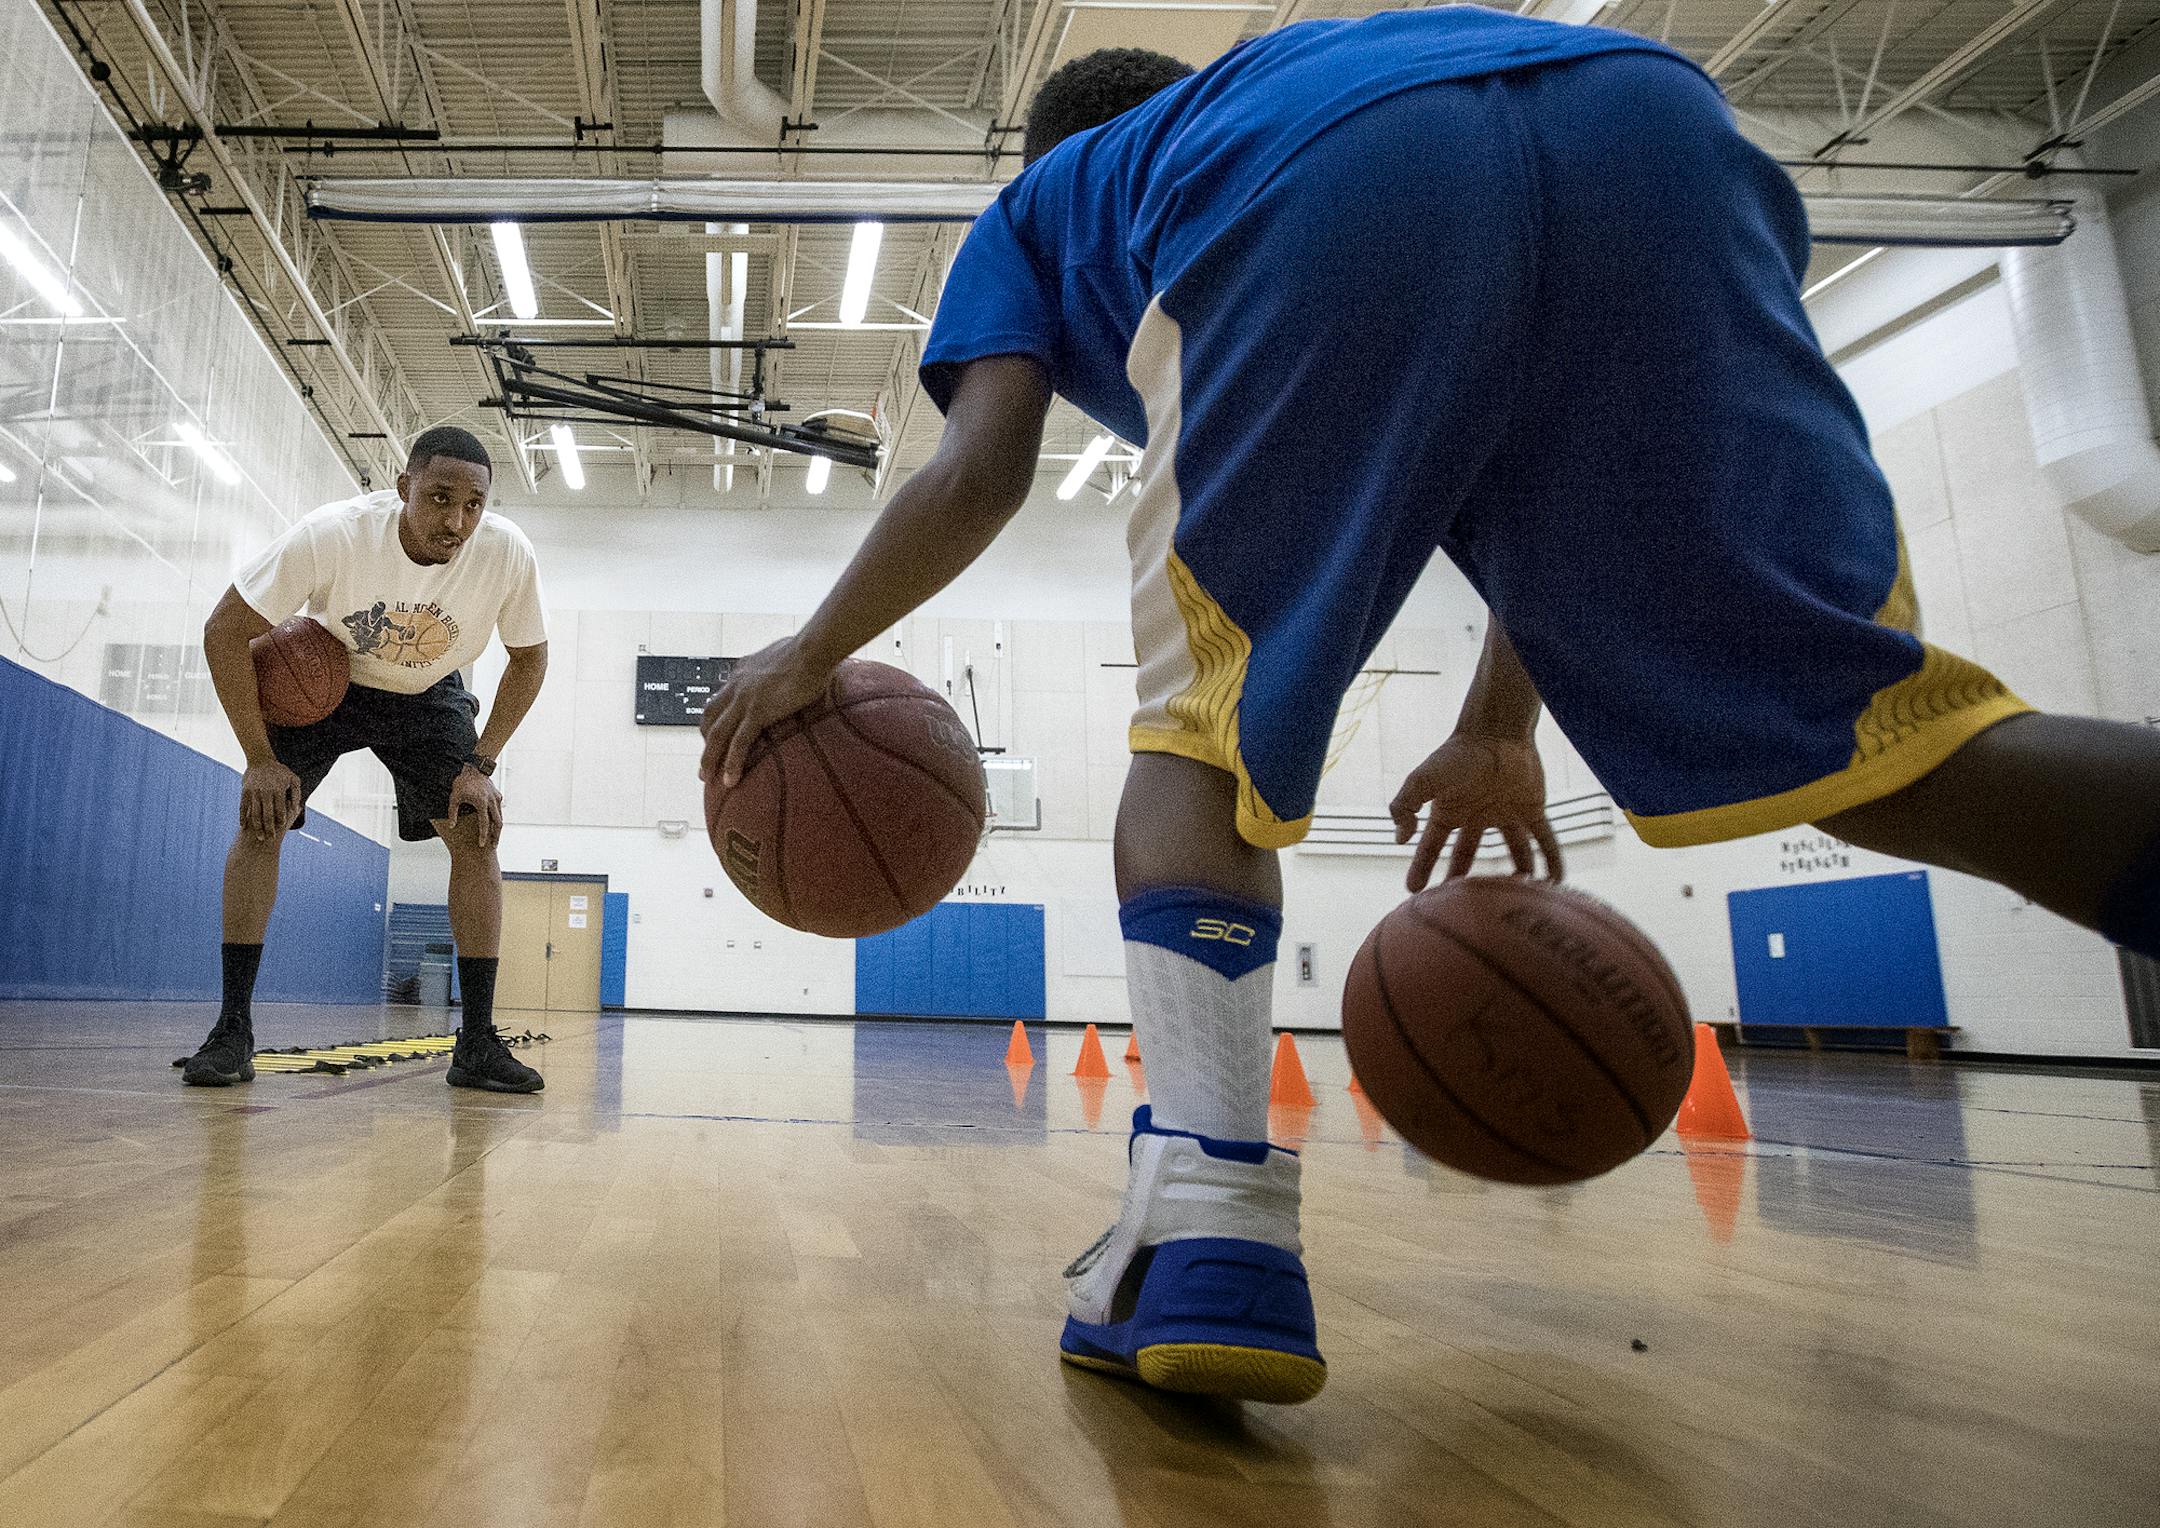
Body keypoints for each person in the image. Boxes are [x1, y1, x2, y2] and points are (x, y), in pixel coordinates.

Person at [701, 11, 2160, 1404]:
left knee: (1201, 741)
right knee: (1879, 735)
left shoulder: (1053, 198)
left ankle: (1208, 1229)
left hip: (1319, 184)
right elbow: (1547, 514)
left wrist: (810, 650)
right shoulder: (1317, 69)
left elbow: (980, 470)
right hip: (1657, 127)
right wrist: (1499, 726)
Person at [183, 425, 551, 1094]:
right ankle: (231, 1028)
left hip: (428, 692)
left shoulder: (505, 554)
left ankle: (476, 1043)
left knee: (476, 833)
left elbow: (530, 657)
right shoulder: (335, 533)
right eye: (439, 498)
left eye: (474, 504)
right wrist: (258, 757)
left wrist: (483, 764)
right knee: (261, 822)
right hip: (327, 681)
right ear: (404, 487)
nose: (458, 520)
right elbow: (225, 629)